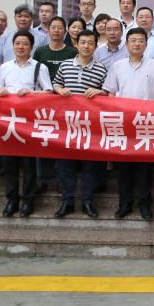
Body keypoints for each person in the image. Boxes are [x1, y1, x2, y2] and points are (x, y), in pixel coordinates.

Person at [103, 27, 154, 221]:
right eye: (133, 41)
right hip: (123, 123)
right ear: (127, 44)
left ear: (146, 44)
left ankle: (145, 205)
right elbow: (111, 93)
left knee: (145, 168)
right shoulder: (117, 66)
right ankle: (125, 204)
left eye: (141, 41)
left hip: (147, 122)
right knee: (124, 168)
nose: (137, 44)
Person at [0, 30, 53, 218]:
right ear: (12, 46)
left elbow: (49, 92)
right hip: (8, 122)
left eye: (25, 44)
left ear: (31, 47)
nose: (21, 47)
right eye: (17, 43)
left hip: (29, 122)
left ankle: (28, 200)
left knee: (29, 165)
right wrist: (0, 91)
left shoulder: (39, 67)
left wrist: (30, 93)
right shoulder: (5, 67)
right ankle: (12, 200)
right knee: (9, 163)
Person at [53, 30, 108, 219]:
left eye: (90, 43)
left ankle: (87, 201)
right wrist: (60, 90)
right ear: (76, 44)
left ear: (95, 46)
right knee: (65, 165)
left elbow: (108, 93)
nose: (86, 46)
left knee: (90, 166)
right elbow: (55, 84)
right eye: (83, 42)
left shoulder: (101, 69)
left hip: (90, 126)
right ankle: (67, 201)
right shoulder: (65, 65)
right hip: (67, 125)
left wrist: (100, 92)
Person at [33, 16, 78, 193]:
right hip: (43, 103)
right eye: (53, 27)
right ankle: (42, 179)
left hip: (65, 103)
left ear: (65, 31)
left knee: (62, 142)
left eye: (60, 28)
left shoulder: (72, 52)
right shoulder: (40, 51)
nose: (57, 30)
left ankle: (61, 180)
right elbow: (34, 74)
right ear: (48, 30)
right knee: (43, 140)